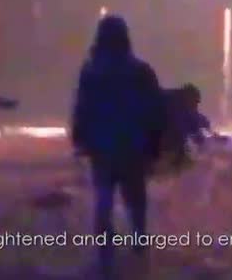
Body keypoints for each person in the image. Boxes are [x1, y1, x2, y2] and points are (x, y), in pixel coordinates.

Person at [71, 15, 166, 279]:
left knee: (103, 199)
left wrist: (80, 139)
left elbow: (82, 108)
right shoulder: (141, 71)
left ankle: (105, 257)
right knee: (136, 198)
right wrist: (154, 145)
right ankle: (138, 244)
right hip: (133, 145)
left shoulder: (92, 71)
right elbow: (155, 111)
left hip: (102, 146)